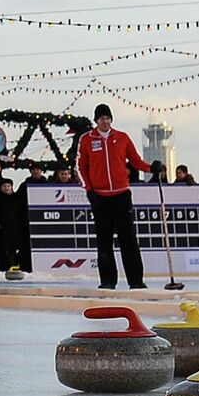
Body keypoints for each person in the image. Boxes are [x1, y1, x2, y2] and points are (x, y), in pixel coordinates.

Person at [74, 102, 149, 290]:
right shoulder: (86, 139)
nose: (105, 121)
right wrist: (89, 190)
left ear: (111, 120)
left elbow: (135, 160)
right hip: (100, 197)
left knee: (129, 239)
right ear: (96, 120)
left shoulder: (122, 137)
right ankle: (107, 280)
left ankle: (136, 280)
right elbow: (80, 166)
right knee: (104, 241)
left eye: (107, 118)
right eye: (101, 118)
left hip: (121, 194)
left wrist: (151, 168)